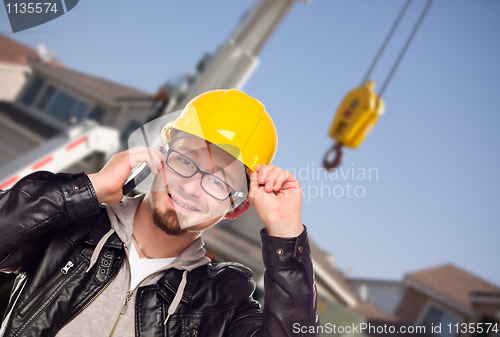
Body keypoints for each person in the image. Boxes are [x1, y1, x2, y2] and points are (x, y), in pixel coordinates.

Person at [0, 89, 319, 337]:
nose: (192, 187)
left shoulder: (221, 302)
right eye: (185, 160)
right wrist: (91, 187)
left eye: (219, 182)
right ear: (160, 157)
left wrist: (286, 233)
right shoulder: (73, 225)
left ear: (236, 208)